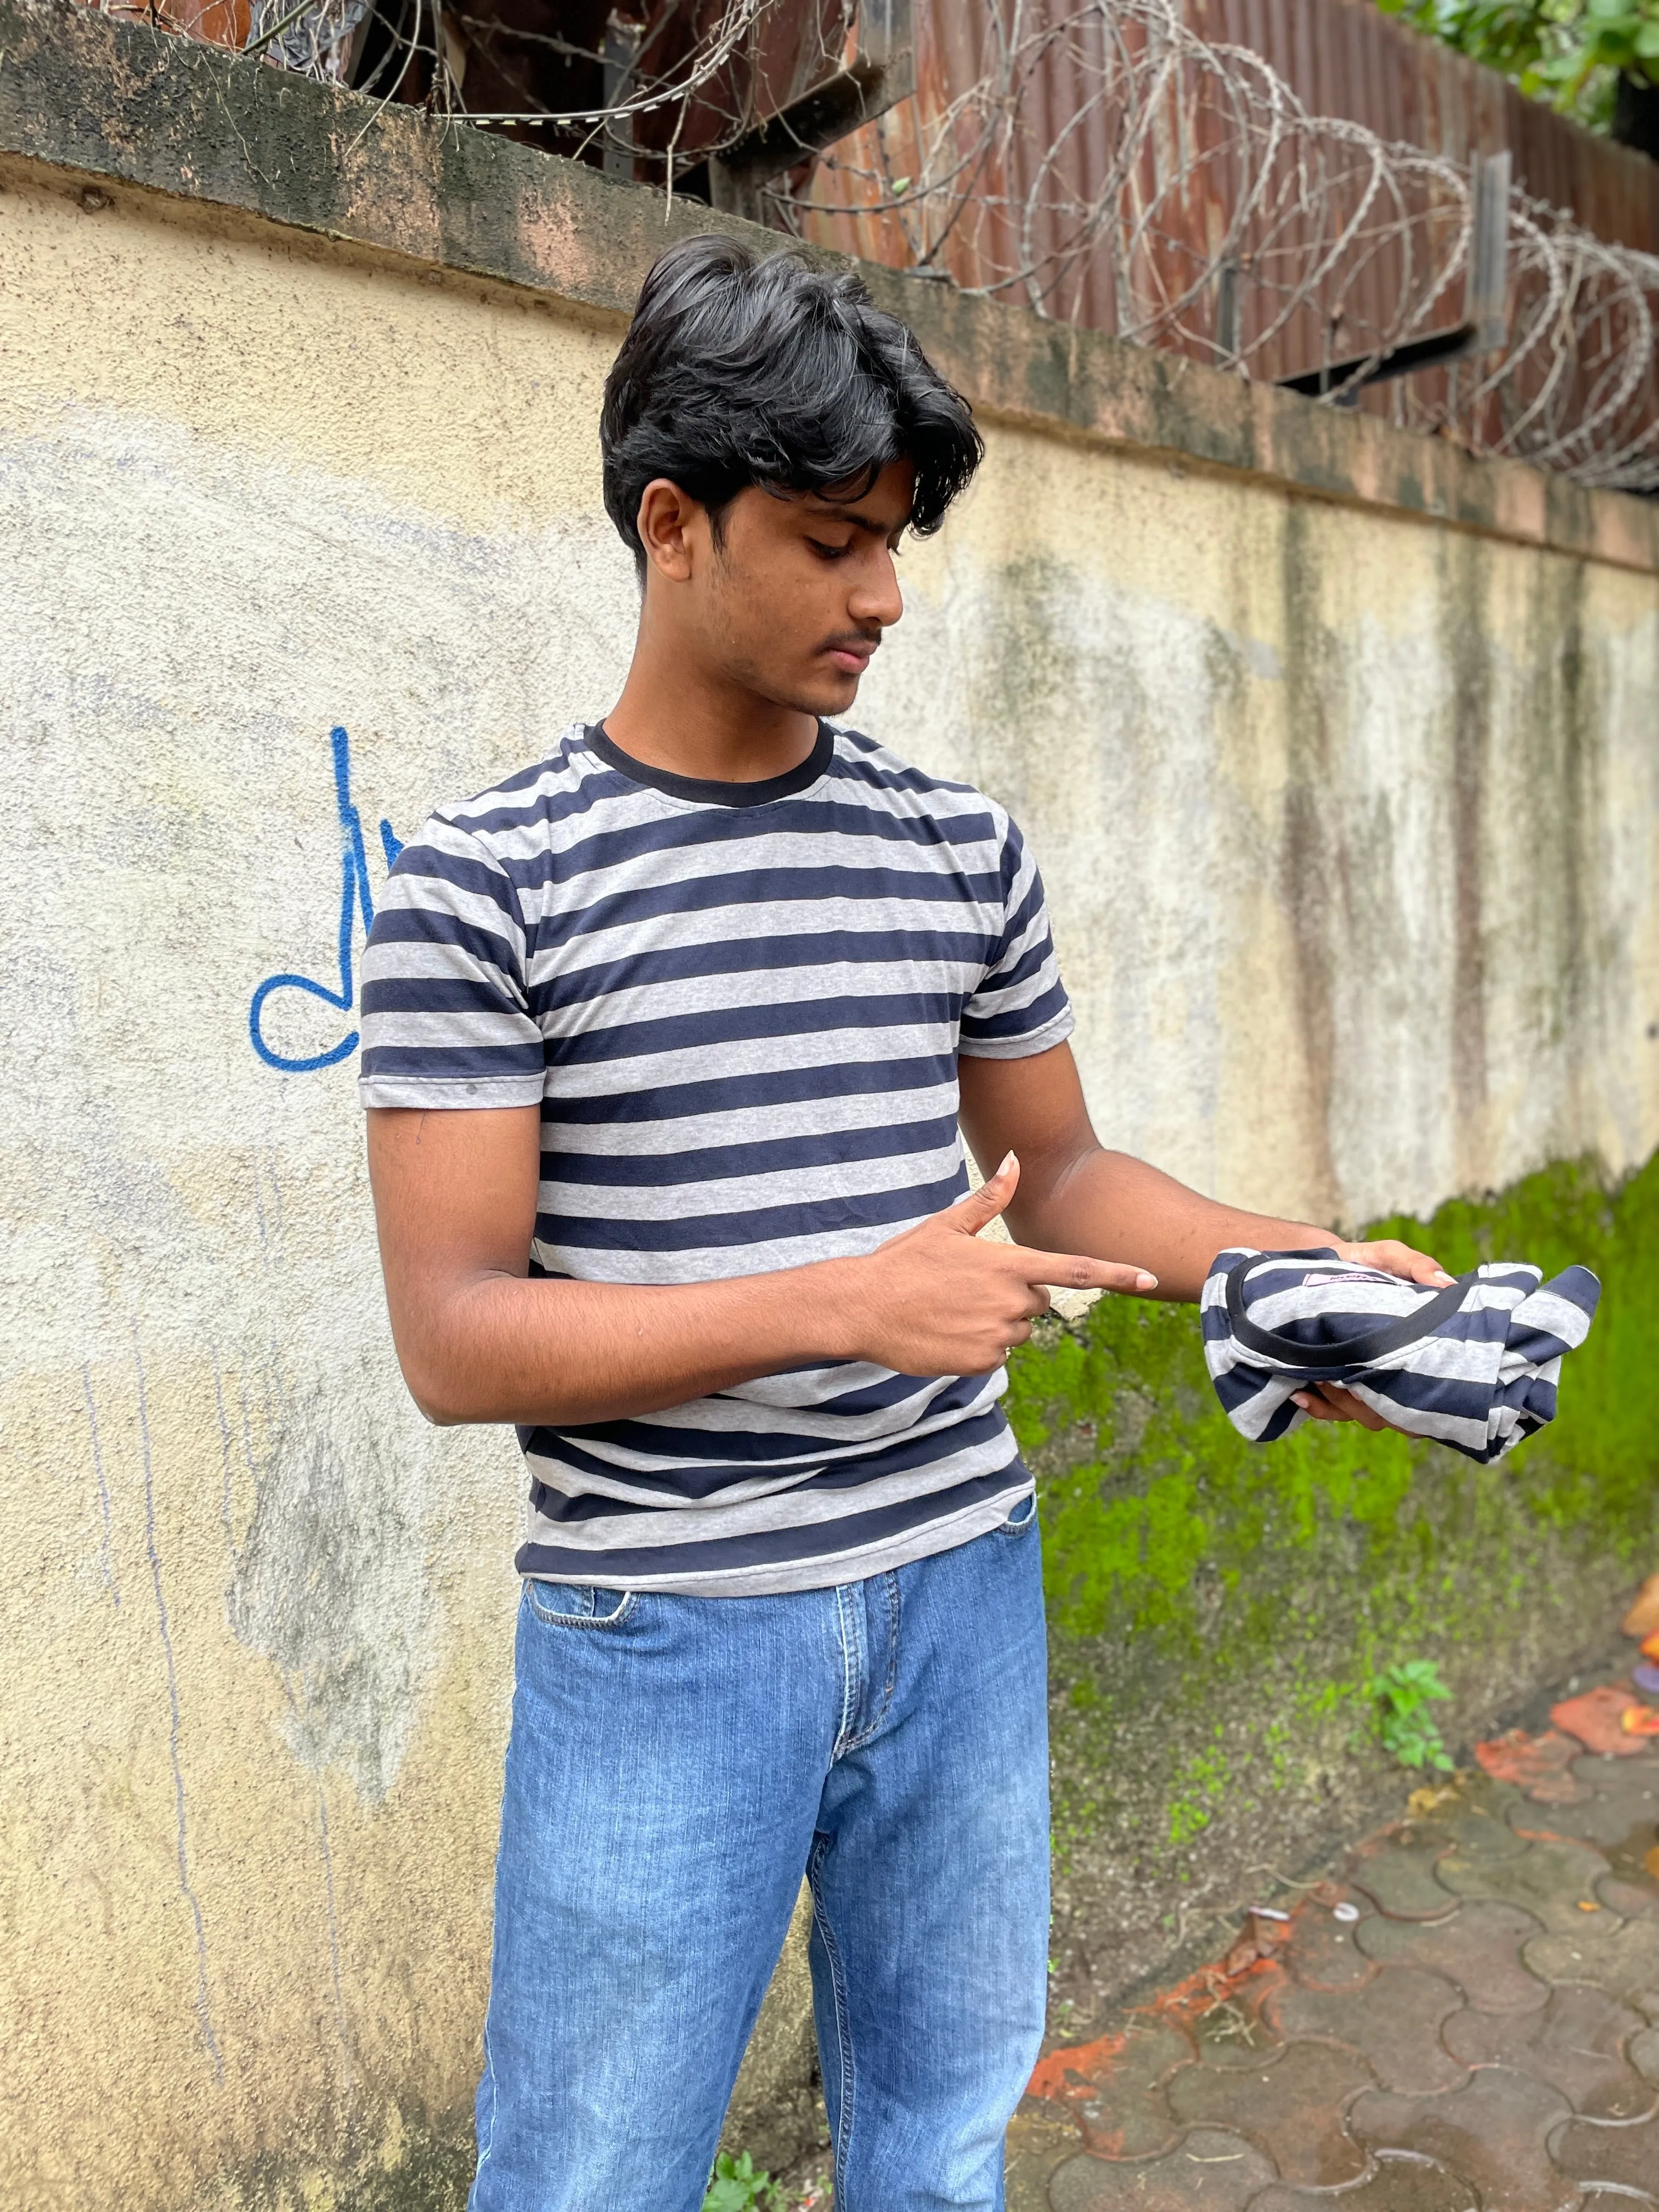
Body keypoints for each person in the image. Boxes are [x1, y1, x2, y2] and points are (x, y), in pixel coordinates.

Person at [359, 234, 1448, 2212]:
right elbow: (455, 1335)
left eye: (896, 541)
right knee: (592, 2177)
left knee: (942, 2154)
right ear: (671, 523)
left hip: (963, 1584)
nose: (883, 594)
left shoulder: (956, 846)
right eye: (832, 541)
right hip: (667, 1627)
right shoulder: (481, 883)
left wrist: (1286, 1269)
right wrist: (848, 1301)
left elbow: (1075, 1168)